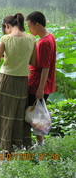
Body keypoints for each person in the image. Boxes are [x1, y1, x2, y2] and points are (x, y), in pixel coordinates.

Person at [0, 13, 37, 154]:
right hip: (21, 81)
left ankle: (6, 148)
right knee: (17, 112)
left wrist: (5, 56)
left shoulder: (5, 39)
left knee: (3, 110)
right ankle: (19, 143)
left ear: (7, 26)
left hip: (5, 79)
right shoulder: (32, 39)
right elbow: (33, 62)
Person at [26, 11, 56, 146]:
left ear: (37, 24)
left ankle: (39, 144)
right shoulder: (50, 37)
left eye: (30, 26)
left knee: (35, 115)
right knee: (36, 113)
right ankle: (39, 143)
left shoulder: (44, 42)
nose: (28, 29)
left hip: (38, 83)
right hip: (45, 83)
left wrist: (40, 89)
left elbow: (45, 67)